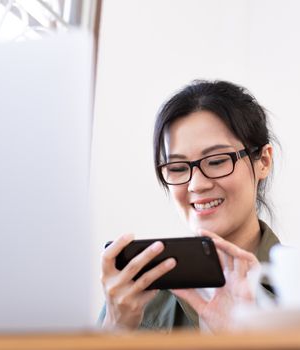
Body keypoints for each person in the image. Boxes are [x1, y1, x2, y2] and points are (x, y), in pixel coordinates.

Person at [98, 80, 280, 332]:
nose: (196, 184)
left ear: (263, 161)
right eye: (177, 168)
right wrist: (115, 329)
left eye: (217, 161)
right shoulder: (135, 298)